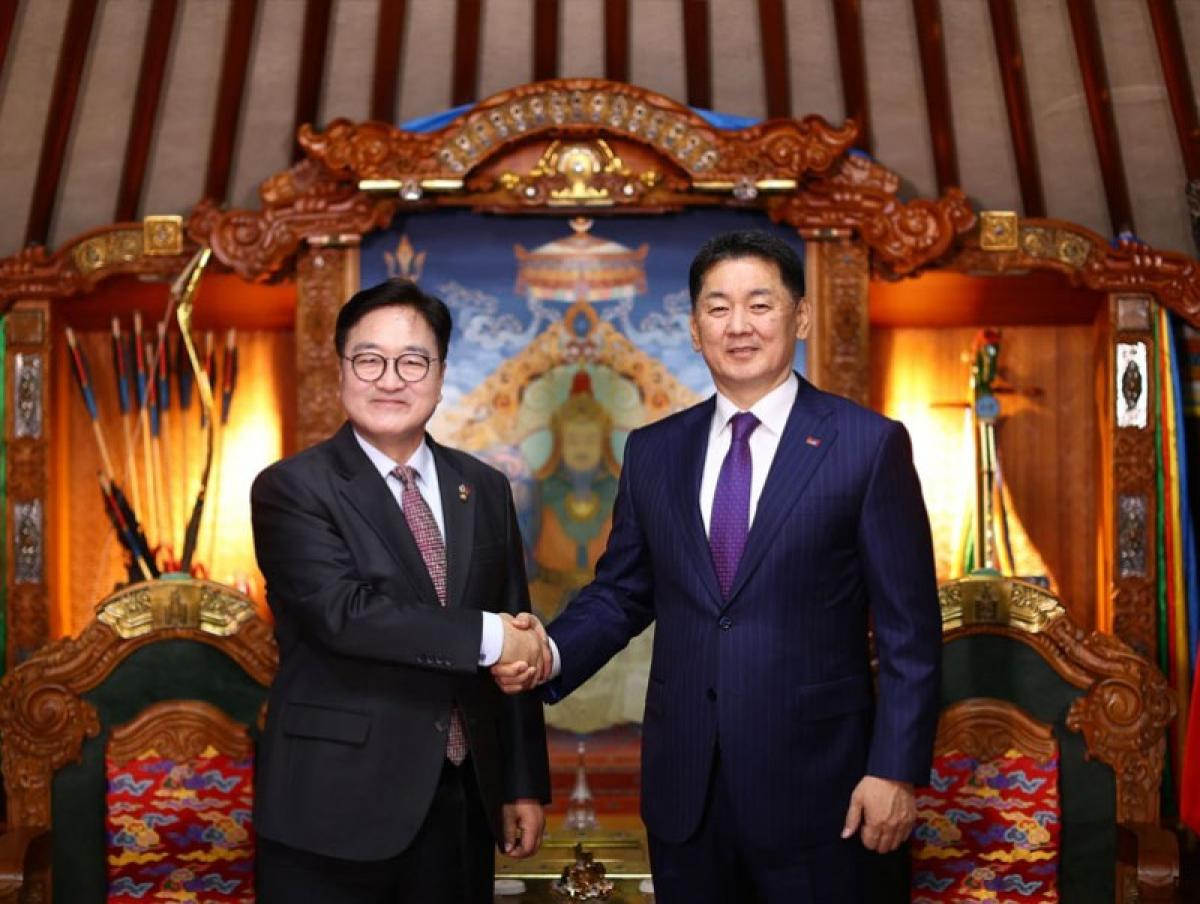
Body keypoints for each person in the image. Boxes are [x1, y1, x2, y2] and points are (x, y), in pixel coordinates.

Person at [494, 231, 942, 903]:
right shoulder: (654, 452)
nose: (739, 326)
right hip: (687, 794)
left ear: (800, 317)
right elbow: (622, 593)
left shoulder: (867, 446)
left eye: (759, 305)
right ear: (695, 327)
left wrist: (895, 771)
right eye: (718, 307)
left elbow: (911, 632)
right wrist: (548, 654)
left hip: (826, 793)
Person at [251, 278, 550, 903]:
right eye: (369, 360)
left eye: (413, 361)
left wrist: (521, 783)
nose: (390, 379)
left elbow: (515, 628)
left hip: (462, 801)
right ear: (341, 370)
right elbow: (346, 615)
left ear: (440, 376)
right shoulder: (292, 488)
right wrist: (494, 637)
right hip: (334, 807)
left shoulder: (484, 487)